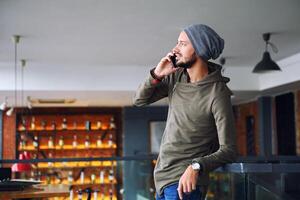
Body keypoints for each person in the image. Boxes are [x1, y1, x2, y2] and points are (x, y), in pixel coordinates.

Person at [133, 24, 237, 200]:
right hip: (161, 179)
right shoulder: (176, 77)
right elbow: (139, 100)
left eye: (182, 44)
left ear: (199, 49)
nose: (175, 49)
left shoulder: (218, 93)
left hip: (184, 185)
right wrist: (157, 74)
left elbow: (229, 150)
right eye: (177, 43)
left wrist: (196, 166)